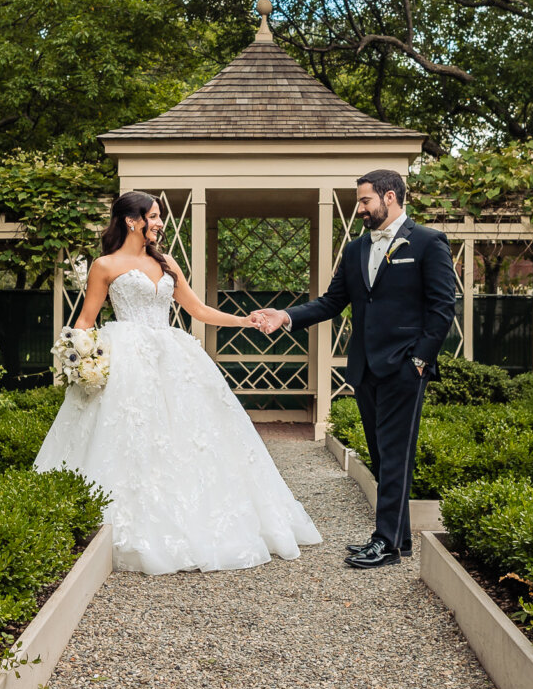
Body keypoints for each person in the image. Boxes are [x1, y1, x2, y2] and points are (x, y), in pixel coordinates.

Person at [35, 190, 322, 575]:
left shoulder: (166, 262)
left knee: (188, 437)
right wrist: (78, 356)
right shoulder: (104, 265)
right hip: (126, 357)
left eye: (159, 217)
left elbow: (197, 309)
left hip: (173, 355)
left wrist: (244, 320)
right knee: (130, 435)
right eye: (153, 216)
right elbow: (86, 320)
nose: (159, 223)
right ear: (131, 220)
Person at [250, 170, 455, 569]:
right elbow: (330, 302)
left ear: (390, 197)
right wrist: (285, 317)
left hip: (404, 368)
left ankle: (384, 542)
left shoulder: (429, 242)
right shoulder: (356, 248)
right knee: (381, 458)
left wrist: (419, 360)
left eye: (365, 201)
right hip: (364, 367)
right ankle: (400, 540)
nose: (359, 208)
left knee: (395, 455)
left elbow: (442, 306)